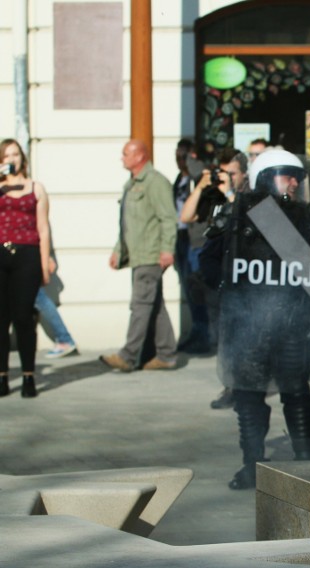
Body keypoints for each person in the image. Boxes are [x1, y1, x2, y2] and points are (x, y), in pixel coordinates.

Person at [213, 148, 310, 489]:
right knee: (248, 399)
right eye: (285, 175)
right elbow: (210, 269)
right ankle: (253, 466)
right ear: (265, 179)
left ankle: (305, 465)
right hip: (249, 326)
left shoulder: (306, 217)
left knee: (296, 395)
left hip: (290, 326)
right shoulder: (238, 217)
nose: (292, 183)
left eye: (296, 177)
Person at [180, 148, 250, 410]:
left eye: (233, 173)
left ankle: (245, 386)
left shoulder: (250, 196)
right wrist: (201, 187)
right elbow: (186, 216)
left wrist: (231, 194)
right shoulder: (214, 195)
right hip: (217, 274)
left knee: (242, 334)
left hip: (243, 275)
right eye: (225, 174)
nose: (229, 179)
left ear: (243, 173)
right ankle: (231, 386)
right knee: (224, 335)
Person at [100, 139, 178, 372]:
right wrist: (118, 251)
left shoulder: (155, 182)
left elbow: (167, 218)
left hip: (150, 255)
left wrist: (167, 249)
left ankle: (128, 355)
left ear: (139, 156)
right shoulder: (131, 184)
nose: (122, 158)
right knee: (154, 305)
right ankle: (166, 354)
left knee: (140, 304)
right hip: (137, 255)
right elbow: (127, 224)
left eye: (126, 154)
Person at [0, 139, 51, 398]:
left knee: (22, 317)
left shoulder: (36, 188)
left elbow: (43, 228)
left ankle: (29, 376)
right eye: (7, 155)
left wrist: (45, 263)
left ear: (23, 158)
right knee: (1, 318)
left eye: (16, 154)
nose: (12, 159)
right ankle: (2, 376)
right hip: (0, 252)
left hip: (27, 253)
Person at [173, 138, 210, 354]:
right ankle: (196, 332)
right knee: (189, 287)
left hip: (197, 239)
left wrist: (190, 159)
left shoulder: (200, 176)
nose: (178, 158)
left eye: (182, 154)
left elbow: (200, 173)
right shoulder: (181, 178)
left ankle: (203, 335)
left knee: (198, 289)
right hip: (181, 237)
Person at [37, 256, 78, 359]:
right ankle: (65, 339)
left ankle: (65, 340)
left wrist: (47, 258)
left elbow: (43, 239)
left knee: (39, 297)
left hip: (23, 256)